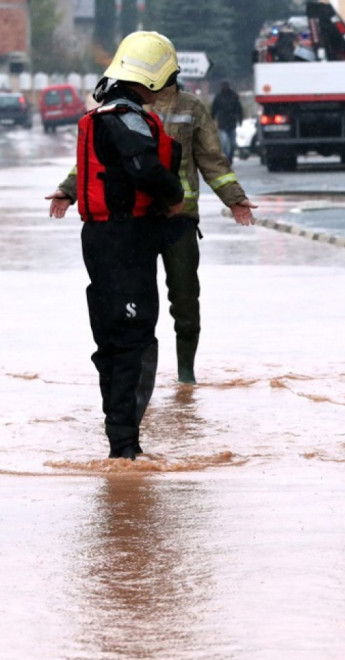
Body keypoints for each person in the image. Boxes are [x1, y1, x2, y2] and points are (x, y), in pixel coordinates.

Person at [49, 71, 258, 386]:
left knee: (186, 298)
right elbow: (96, 160)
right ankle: (136, 379)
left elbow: (211, 158)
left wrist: (235, 199)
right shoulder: (125, 108)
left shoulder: (191, 106)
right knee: (135, 303)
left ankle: (185, 375)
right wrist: (68, 190)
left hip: (180, 219)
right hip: (137, 220)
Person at [46, 31, 185, 459]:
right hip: (123, 241)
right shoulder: (125, 118)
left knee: (115, 338)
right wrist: (174, 195)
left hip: (107, 240)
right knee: (129, 339)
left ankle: (122, 440)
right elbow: (144, 168)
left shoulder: (106, 113)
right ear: (151, 79)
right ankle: (124, 448)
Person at [211, 80, 243, 163]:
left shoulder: (233, 96)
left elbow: (239, 108)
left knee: (232, 143)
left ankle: (230, 156)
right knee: (224, 143)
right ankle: (227, 157)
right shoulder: (218, 96)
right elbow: (214, 109)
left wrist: (240, 119)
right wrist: (212, 119)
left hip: (232, 123)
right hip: (222, 123)